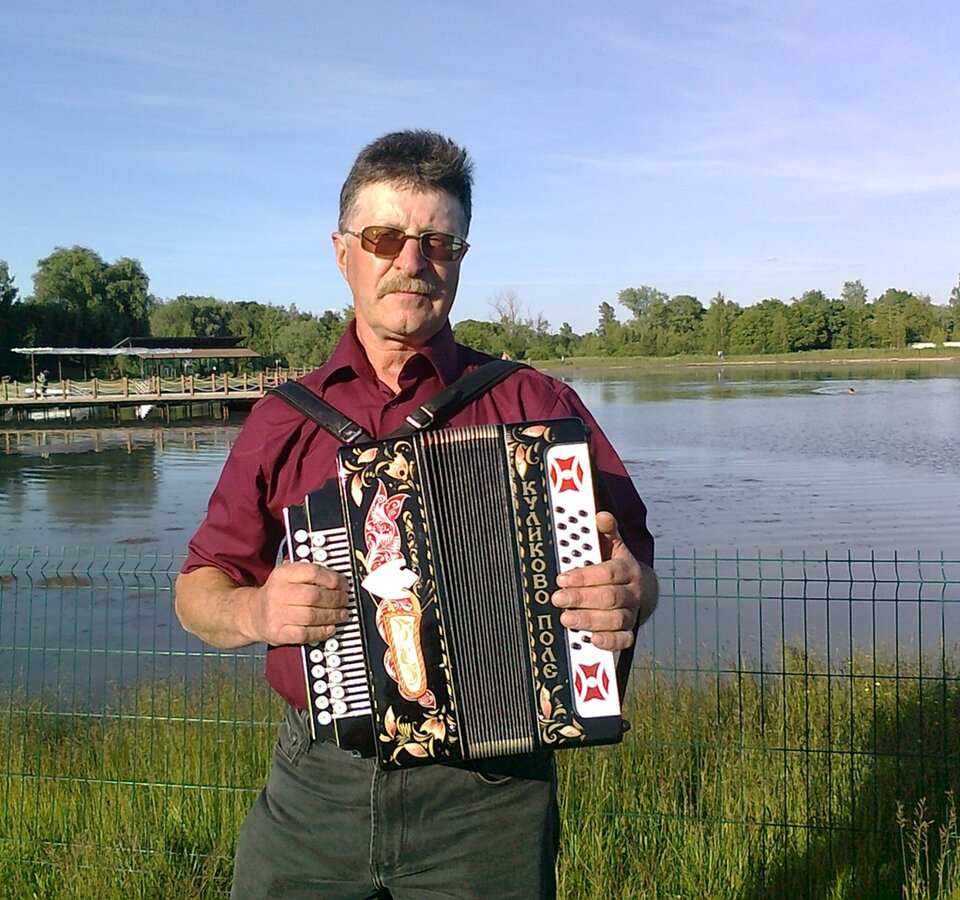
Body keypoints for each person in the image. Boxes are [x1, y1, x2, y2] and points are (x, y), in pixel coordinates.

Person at [175, 130, 659, 899]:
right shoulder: (284, 417)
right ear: (343, 253)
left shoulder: (535, 404)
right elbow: (199, 588)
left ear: (461, 257)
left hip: (490, 798)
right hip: (317, 786)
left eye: (439, 242)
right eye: (384, 238)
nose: (411, 261)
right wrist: (256, 610)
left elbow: (633, 564)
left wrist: (629, 590)